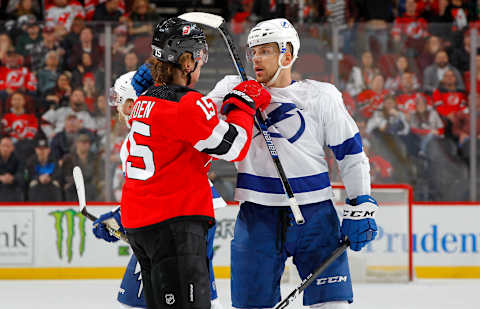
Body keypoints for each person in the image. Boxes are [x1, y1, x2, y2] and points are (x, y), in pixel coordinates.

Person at [206, 18, 378, 308]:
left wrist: (360, 204)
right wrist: (237, 105)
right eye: (253, 51)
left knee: (332, 305)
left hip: (317, 217)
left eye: (266, 50)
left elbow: (350, 152)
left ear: (287, 55)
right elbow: (197, 131)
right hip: (257, 217)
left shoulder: (320, 96)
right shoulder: (231, 89)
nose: (256, 57)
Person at [118, 18, 270, 309]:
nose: (201, 66)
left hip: (140, 224)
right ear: (187, 62)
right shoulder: (187, 104)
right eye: (200, 59)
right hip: (174, 225)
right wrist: (243, 104)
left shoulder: (144, 102)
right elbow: (234, 146)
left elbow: (182, 144)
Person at [92, 71, 226, 309]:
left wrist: (120, 217)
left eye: (121, 102)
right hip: (181, 224)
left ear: (133, 104)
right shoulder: (153, 129)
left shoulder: (142, 137)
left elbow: (160, 189)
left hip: (180, 226)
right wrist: (119, 215)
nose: (118, 110)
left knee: (140, 302)